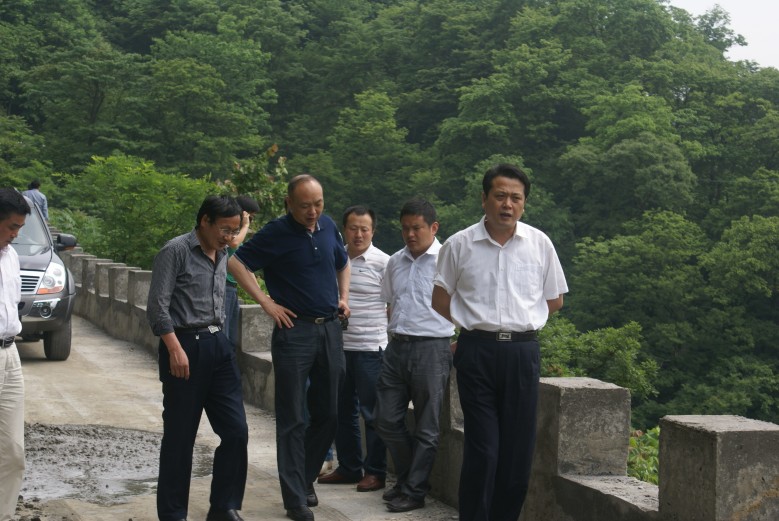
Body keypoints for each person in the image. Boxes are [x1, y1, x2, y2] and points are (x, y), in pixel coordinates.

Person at [431, 164, 568, 521]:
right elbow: (440, 299)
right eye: (500, 196)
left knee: (518, 454)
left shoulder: (539, 244)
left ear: (524, 203)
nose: (508, 204)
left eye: (515, 198)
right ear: (484, 198)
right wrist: (472, 327)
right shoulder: (460, 244)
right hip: (476, 352)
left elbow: (554, 299)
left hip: (522, 353)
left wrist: (520, 323)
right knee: (484, 450)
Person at [228, 174, 350, 521]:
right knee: (293, 417)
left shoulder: (328, 226)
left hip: (330, 328)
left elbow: (342, 262)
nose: (313, 211)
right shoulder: (276, 233)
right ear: (288, 204)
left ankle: (304, 477)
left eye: (318, 203)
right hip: (294, 332)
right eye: (305, 205)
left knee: (330, 412)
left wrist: (343, 297)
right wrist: (266, 303)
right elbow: (235, 262)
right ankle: (295, 498)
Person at [147, 195, 249, 521]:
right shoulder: (175, 251)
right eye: (224, 229)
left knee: (236, 431)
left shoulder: (222, 252)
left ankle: (224, 506)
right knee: (180, 437)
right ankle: (173, 513)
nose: (229, 237)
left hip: (219, 345)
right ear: (205, 221)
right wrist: (174, 348)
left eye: (234, 230)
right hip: (184, 346)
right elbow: (157, 307)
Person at [373, 198, 454, 513]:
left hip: (432, 348)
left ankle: (414, 491)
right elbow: (390, 302)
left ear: (433, 227)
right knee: (385, 418)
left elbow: (469, 303)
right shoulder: (395, 261)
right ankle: (409, 480)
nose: (410, 234)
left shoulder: (448, 261)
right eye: (405, 228)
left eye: (416, 228)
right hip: (397, 346)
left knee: (427, 426)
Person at [317, 205, 390, 492]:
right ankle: (349, 467)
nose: (359, 234)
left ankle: (375, 472)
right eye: (353, 228)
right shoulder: (334, 258)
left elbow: (393, 305)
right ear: (344, 230)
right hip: (338, 347)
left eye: (364, 229)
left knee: (372, 413)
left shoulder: (385, 263)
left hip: (372, 348)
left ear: (373, 231)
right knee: (341, 410)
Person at [0, 188, 30, 521]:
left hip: (10, 354)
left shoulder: (11, 257)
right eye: (11, 226)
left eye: (19, 228)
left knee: (12, 450)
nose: (15, 234)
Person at [224, 195, 260, 348]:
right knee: (224, 335)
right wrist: (245, 226)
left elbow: (245, 266)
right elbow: (233, 243)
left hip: (232, 288)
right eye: (250, 217)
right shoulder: (228, 230)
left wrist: (259, 294)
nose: (250, 221)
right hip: (223, 287)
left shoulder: (239, 234)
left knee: (232, 338)